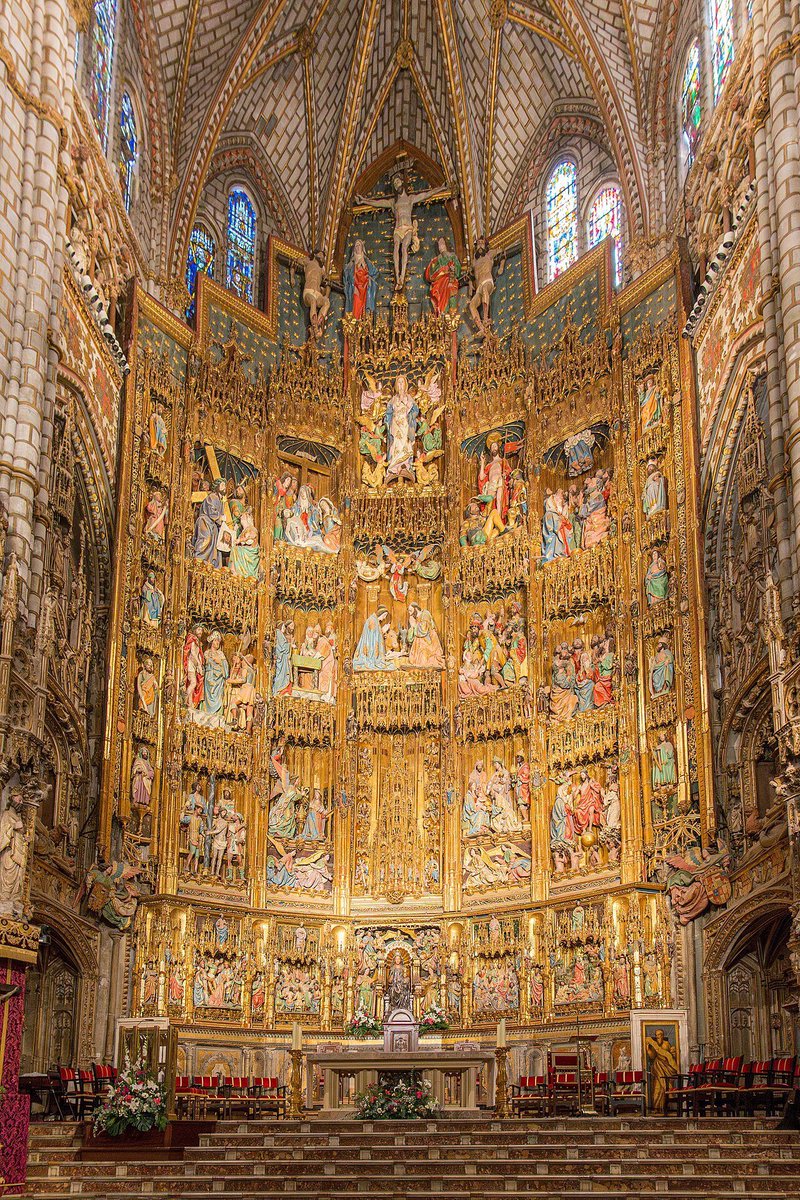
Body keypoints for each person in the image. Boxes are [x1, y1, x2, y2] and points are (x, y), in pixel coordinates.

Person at [424, 236, 462, 314]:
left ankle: (451, 313)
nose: (440, 246)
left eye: (442, 243)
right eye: (439, 245)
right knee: (437, 294)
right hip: (439, 281)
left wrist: (452, 268)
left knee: (451, 291)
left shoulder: (452, 256)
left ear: (446, 244)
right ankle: (441, 313)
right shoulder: (436, 260)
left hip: (450, 279)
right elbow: (430, 273)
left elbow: (457, 268)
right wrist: (442, 270)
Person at [646, 1028, 679, 1113]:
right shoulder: (656, 1044)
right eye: (656, 1035)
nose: (658, 1037)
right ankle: (657, 1108)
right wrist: (648, 1048)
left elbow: (663, 1053)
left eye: (659, 1035)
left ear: (663, 1035)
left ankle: (670, 1107)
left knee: (666, 1087)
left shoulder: (666, 1044)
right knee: (657, 1089)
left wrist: (652, 1043)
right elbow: (653, 1056)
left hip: (666, 1070)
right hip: (658, 1069)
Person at [343, 238, 378, 317]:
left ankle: (365, 321)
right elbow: (346, 277)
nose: (358, 247)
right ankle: (354, 322)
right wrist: (351, 286)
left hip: (365, 287)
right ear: (354, 248)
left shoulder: (367, 261)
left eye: (359, 245)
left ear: (362, 247)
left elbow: (375, 273)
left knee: (365, 306)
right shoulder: (350, 264)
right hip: (355, 288)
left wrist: (370, 280)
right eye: (356, 246)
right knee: (355, 304)